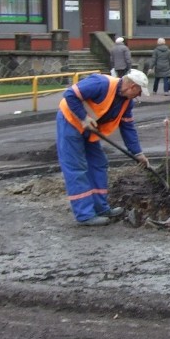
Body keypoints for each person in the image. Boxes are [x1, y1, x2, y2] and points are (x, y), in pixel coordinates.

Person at [56, 70, 151, 227]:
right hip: (70, 123)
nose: (138, 95)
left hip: (90, 129)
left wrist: (138, 152)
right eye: (139, 92)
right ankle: (85, 215)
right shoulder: (101, 83)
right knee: (77, 168)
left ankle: (100, 208)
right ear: (133, 86)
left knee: (99, 163)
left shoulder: (127, 102)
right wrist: (83, 117)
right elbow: (70, 94)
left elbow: (127, 127)